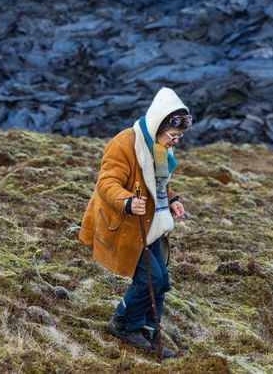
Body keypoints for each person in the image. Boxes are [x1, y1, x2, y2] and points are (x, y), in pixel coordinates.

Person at [79, 87, 193, 358]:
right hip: (126, 226)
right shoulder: (124, 144)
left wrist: (172, 198)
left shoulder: (155, 145)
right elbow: (107, 183)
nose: (176, 141)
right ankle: (123, 324)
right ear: (159, 126)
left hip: (149, 225)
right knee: (151, 278)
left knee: (161, 279)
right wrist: (128, 201)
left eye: (179, 137)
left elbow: (157, 182)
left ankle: (149, 330)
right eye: (173, 136)